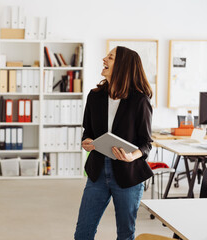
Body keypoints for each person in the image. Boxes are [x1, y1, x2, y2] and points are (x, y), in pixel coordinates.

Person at [74, 46, 154, 240]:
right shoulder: (95, 96)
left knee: (125, 235)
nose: (104, 59)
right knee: (82, 233)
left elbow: (145, 143)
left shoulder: (139, 100)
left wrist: (130, 156)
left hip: (128, 175)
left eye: (110, 57)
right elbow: (88, 132)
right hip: (98, 171)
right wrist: (86, 142)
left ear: (123, 66)